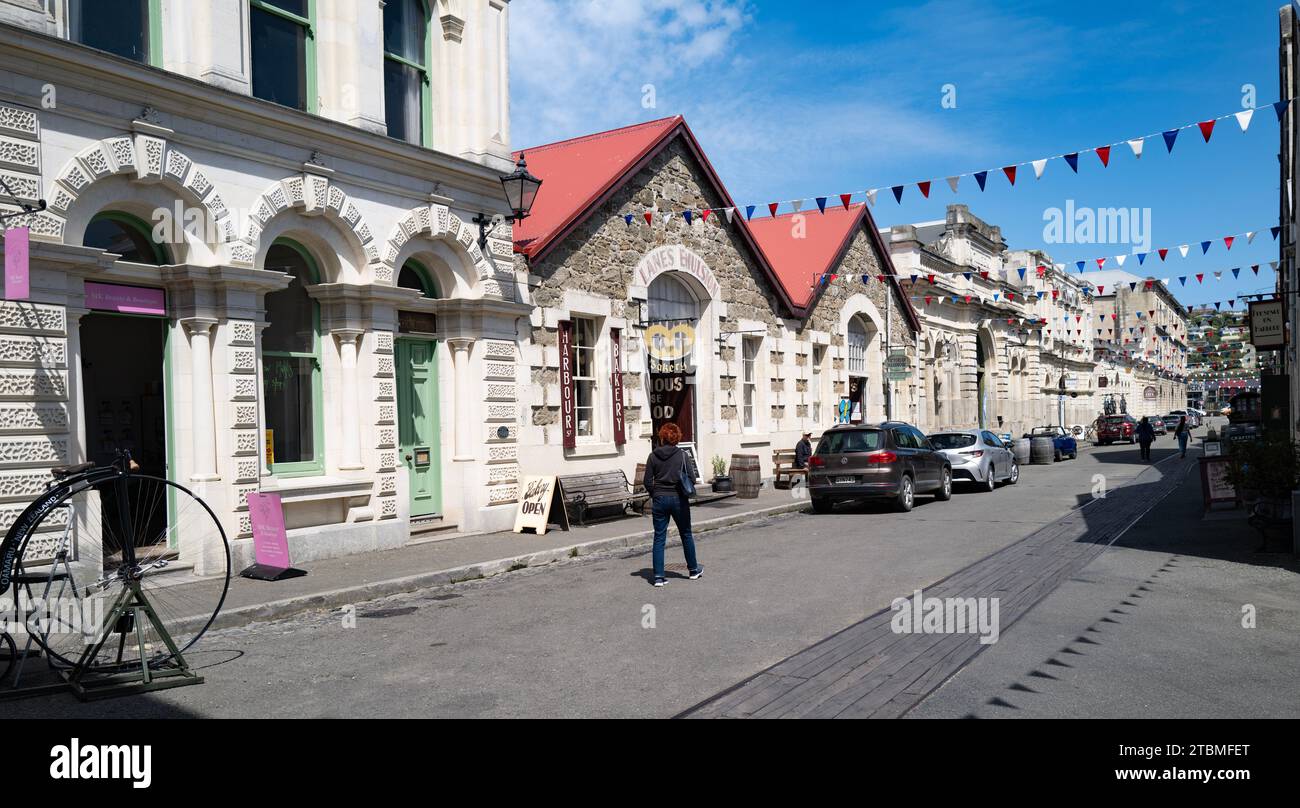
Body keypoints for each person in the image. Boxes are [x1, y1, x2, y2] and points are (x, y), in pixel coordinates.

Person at [642, 423, 702, 587]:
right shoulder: (682, 455)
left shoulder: (653, 456)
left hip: (660, 499)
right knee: (686, 534)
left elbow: (647, 481)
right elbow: (692, 479)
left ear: (662, 437)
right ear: (677, 437)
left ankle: (659, 577)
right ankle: (693, 570)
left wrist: (656, 493)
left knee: (659, 537)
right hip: (678, 499)